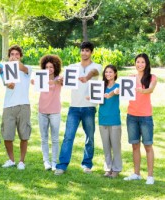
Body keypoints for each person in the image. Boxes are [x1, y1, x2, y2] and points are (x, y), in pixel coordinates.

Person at [54, 41, 102, 175]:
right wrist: (61, 80)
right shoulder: (72, 67)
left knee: (89, 137)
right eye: (82, 50)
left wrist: (87, 77)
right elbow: (64, 79)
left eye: (87, 50)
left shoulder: (97, 66)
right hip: (74, 107)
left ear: (91, 52)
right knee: (68, 137)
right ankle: (62, 165)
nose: (84, 53)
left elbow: (93, 72)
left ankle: (87, 164)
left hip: (89, 107)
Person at [123, 53, 157, 185]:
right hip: (131, 116)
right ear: (135, 63)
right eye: (138, 62)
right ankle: (136, 174)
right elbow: (123, 92)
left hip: (145, 117)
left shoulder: (152, 77)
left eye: (142, 62)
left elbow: (150, 89)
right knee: (135, 146)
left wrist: (142, 90)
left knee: (148, 146)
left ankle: (150, 176)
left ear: (146, 64)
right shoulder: (130, 78)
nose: (140, 64)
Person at [1, 45, 32, 170]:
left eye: (17, 54)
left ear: (20, 56)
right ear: (9, 57)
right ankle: (11, 159)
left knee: (24, 135)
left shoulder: (27, 69)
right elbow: (8, 84)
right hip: (9, 106)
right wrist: (9, 83)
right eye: (12, 54)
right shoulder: (5, 70)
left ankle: (21, 161)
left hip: (24, 105)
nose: (14, 56)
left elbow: (23, 68)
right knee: (7, 135)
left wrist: (16, 64)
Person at [36, 55, 62, 171]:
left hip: (55, 111)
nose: (49, 69)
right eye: (46, 67)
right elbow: (33, 81)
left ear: (55, 67)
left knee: (55, 139)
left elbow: (65, 81)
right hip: (42, 111)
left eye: (51, 67)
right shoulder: (40, 78)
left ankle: (54, 162)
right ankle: (46, 161)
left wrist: (57, 81)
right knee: (44, 138)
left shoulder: (59, 79)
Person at [98, 65, 122, 178]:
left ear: (115, 74)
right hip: (102, 119)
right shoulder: (100, 86)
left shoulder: (118, 86)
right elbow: (94, 96)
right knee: (106, 146)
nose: (108, 74)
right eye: (106, 72)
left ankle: (116, 169)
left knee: (116, 146)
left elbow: (117, 91)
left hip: (114, 120)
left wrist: (111, 93)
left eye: (111, 72)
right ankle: (108, 169)